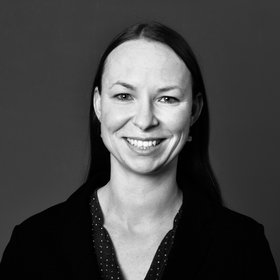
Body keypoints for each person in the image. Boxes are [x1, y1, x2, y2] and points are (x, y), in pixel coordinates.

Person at [0, 22, 278, 280]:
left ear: (194, 110)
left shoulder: (243, 246)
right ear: (99, 105)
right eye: (124, 96)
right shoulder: (32, 244)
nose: (145, 120)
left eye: (167, 98)